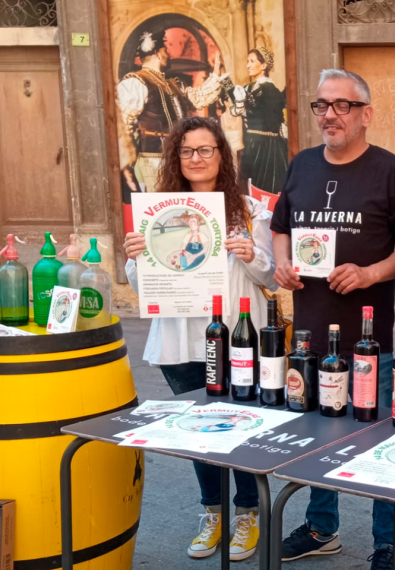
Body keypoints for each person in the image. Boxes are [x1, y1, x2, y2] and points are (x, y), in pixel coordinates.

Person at [270, 69, 395, 570]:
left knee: (379, 446)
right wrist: (281, 264)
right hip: (308, 335)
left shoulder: (391, 170)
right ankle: (320, 528)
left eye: (342, 105)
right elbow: (280, 227)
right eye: (321, 104)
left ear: (366, 114)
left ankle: (387, 542)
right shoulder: (302, 164)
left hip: (370, 339)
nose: (329, 114)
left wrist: (370, 272)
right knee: (313, 437)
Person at [123, 116, 277, 561]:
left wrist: (253, 253)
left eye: (206, 149)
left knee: (241, 429)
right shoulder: (160, 213)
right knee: (198, 435)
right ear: (176, 157)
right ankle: (213, 513)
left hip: (236, 338)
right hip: (180, 340)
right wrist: (135, 258)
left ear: (221, 155)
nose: (196, 158)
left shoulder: (247, 209)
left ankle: (247, 512)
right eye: (187, 151)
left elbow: (271, 275)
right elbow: (143, 284)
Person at [116, 30, 228, 200]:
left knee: (180, 203)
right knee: (159, 204)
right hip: (152, 158)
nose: (168, 54)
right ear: (157, 54)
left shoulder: (172, 84)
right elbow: (122, 123)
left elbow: (198, 98)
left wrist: (215, 76)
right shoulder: (135, 82)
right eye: (165, 50)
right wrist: (127, 159)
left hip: (178, 156)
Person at [227, 47, 289, 194]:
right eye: (247, 61)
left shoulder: (269, 89)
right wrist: (225, 83)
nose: (248, 65)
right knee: (249, 187)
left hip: (266, 146)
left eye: (252, 61)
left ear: (263, 66)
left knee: (263, 187)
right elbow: (239, 105)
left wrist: (236, 93)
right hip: (251, 143)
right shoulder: (248, 87)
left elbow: (252, 104)